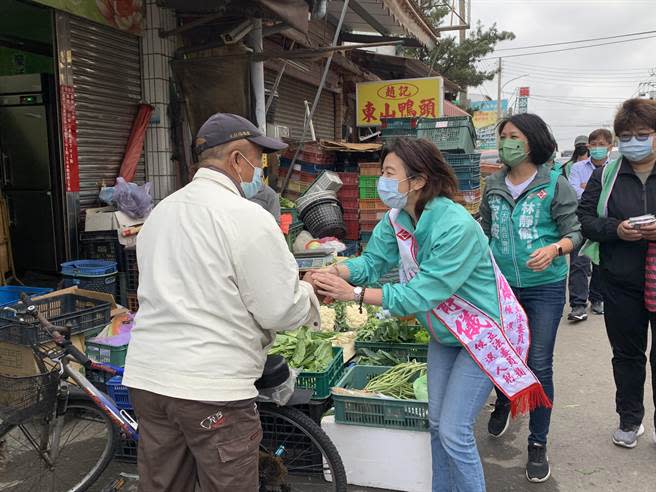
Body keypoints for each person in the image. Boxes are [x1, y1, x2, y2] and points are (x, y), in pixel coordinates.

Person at [309, 138, 550, 492]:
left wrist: (356, 294)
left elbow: (423, 294)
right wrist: (337, 273)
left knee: (454, 431)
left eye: (390, 173)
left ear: (419, 180)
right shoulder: (399, 218)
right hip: (444, 334)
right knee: (436, 424)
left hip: (479, 335)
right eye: (383, 173)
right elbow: (374, 261)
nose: (383, 181)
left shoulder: (455, 226)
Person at [122, 113, 321, 491]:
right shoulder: (247, 217)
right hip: (211, 390)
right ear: (235, 160)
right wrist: (308, 293)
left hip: (150, 381)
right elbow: (279, 309)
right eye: (258, 161)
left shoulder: (160, 214)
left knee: (164, 484)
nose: (259, 171)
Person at [479, 113, 582, 483]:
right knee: (502, 354)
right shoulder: (493, 184)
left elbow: (575, 233)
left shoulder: (555, 184)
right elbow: (484, 230)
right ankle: (505, 398)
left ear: (532, 141)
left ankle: (538, 443)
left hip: (546, 287)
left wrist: (556, 248)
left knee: (539, 361)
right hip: (502, 288)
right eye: (502, 136)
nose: (506, 142)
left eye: (513, 136)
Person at [578, 98, 656, 449]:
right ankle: (629, 419)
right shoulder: (606, 173)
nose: (633, 141)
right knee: (627, 354)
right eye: (626, 135)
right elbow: (585, 219)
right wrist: (616, 229)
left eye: (643, 134)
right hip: (620, 279)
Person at [566, 129, 613, 322]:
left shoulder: (615, 168)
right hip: (581, 219)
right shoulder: (577, 167)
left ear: (610, 146)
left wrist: (588, 187)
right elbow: (573, 191)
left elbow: (614, 194)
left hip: (605, 221)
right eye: (593, 144)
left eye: (601, 144)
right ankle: (578, 304)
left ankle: (597, 299)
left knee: (601, 262)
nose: (596, 148)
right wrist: (598, 191)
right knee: (579, 262)